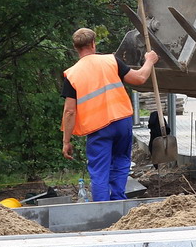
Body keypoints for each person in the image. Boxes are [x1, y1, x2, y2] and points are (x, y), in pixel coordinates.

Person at [61, 28, 158, 201]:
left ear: (76, 48)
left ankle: (103, 211)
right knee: (121, 163)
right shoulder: (111, 61)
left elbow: (69, 111)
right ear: (93, 43)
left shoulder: (72, 74)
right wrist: (149, 61)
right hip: (122, 122)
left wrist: (66, 141)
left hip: (98, 128)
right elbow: (140, 78)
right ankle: (118, 203)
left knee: (99, 171)